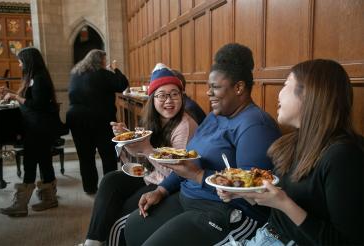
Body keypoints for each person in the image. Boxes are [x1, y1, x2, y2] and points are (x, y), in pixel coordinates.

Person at [124, 43, 281, 245]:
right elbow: (187, 162)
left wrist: (198, 176)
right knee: (135, 226)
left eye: (214, 87)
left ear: (239, 87)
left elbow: (254, 192)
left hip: (227, 213)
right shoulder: (215, 116)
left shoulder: (255, 125)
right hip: (188, 197)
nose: (208, 93)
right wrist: (161, 189)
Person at [217, 59, 364, 245]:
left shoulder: (344, 156)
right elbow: (282, 210)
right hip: (265, 236)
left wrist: (284, 204)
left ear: (310, 95)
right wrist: (245, 194)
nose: (279, 94)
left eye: (286, 85)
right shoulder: (293, 143)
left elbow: (348, 241)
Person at [81, 63, 198, 246]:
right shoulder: (153, 119)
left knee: (123, 210)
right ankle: (92, 241)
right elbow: (139, 160)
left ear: (182, 97)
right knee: (110, 180)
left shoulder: (184, 125)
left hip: (169, 184)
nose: (169, 100)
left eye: (175, 94)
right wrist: (126, 140)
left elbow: (177, 173)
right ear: (152, 99)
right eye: (162, 95)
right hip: (150, 174)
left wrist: (145, 149)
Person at [0, 47, 60, 217]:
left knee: (30, 163)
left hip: (39, 128)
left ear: (28, 61)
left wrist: (15, 97)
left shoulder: (39, 79)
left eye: (20, 61)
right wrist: (10, 92)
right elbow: (31, 99)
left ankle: (21, 204)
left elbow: (37, 105)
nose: (19, 64)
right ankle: (49, 199)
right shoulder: (34, 78)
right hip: (36, 126)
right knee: (44, 161)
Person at [66, 49, 129, 194]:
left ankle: (89, 188)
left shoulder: (75, 73)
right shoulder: (103, 73)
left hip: (76, 119)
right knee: (108, 155)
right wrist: (115, 69)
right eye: (105, 60)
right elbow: (122, 84)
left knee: (85, 156)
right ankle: (109, 188)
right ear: (100, 61)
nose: (105, 63)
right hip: (100, 119)